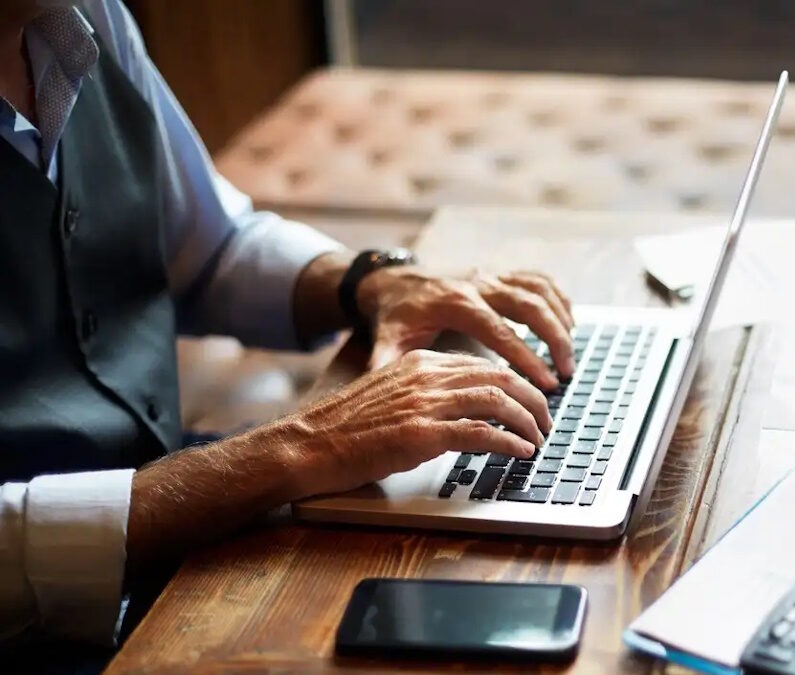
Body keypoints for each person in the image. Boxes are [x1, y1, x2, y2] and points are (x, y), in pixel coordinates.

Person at [0, 0, 576, 650]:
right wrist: (295, 447)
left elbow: (210, 249)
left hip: (181, 521)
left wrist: (371, 280)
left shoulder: (86, 17)